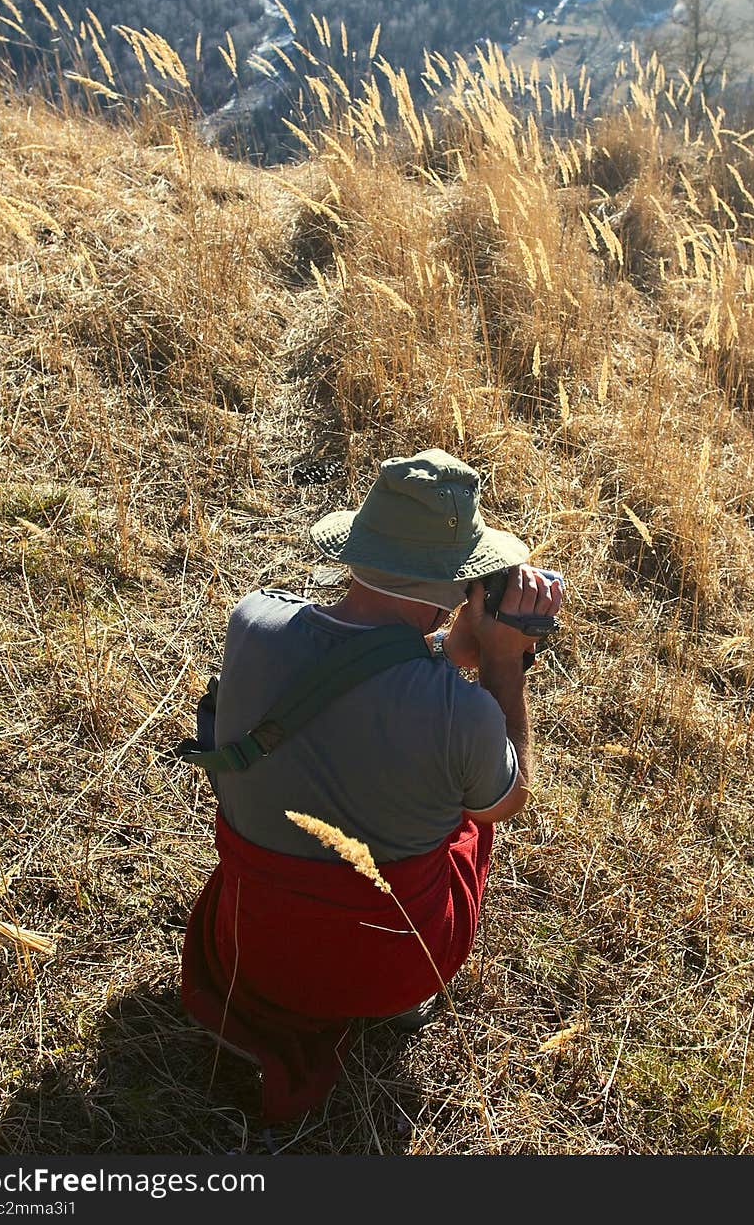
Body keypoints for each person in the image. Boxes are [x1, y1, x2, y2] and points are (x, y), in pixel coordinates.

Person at [181, 448, 562, 1123]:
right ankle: (399, 1007)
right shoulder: (462, 713)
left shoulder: (253, 621)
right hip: (396, 970)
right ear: (458, 587)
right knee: (474, 807)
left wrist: (449, 647)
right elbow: (510, 799)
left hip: (254, 950)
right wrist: (501, 664)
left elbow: (359, 673)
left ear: (355, 548)